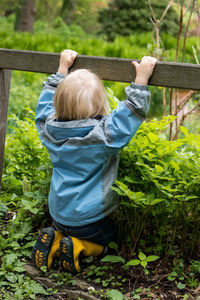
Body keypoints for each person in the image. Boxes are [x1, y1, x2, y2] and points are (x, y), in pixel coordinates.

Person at [32, 49, 157, 274]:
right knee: (110, 239)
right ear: (100, 107)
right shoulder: (102, 136)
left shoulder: (48, 130)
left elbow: (43, 109)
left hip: (58, 213)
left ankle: (56, 238)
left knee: (67, 228)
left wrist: (61, 70)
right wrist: (141, 80)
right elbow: (129, 115)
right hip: (91, 220)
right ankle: (82, 247)